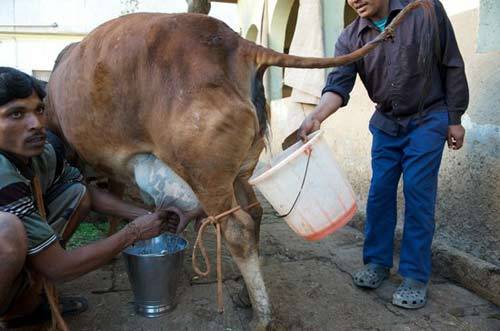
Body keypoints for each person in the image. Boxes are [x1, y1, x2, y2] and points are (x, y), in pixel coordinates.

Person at [298, 0, 468, 309]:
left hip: (428, 117)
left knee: (418, 191)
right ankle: (377, 262)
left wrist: (455, 118)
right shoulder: (350, 38)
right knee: (379, 193)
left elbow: (452, 62)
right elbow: (338, 85)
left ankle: (415, 275)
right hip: (387, 122)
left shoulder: (425, 10)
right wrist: (317, 116)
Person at [0, 66, 189, 327]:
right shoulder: (3, 174)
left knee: (76, 194)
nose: (35, 124)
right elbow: (58, 267)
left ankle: (24, 305)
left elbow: (86, 191)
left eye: (39, 110)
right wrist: (132, 233)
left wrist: (147, 216)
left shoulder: (41, 156)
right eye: (16, 114)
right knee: (7, 232)